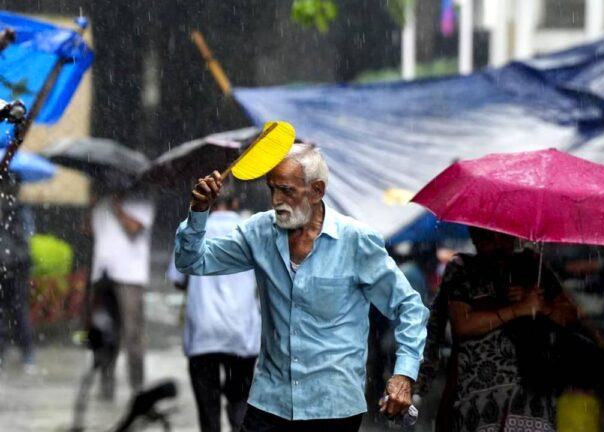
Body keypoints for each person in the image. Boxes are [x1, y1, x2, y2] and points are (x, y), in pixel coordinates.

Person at [174, 143, 429, 432]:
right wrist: (198, 211)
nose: (276, 200)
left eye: (287, 191)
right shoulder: (259, 232)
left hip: (332, 406)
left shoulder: (356, 241)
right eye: (272, 189)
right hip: (270, 402)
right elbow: (191, 261)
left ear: (317, 191)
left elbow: (409, 307)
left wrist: (404, 375)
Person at [445, 227, 578, 432]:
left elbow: (569, 316)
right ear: (475, 238)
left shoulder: (532, 265)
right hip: (478, 399)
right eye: (489, 237)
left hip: (533, 393)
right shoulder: (463, 269)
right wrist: (518, 309)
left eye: (504, 236)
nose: (498, 244)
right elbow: (463, 325)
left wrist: (543, 307)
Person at [167, 185, 261, 432]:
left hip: (203, 332)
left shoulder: (191, 231)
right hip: (241, 333)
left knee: (208, 415)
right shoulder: (251, 231)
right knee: (241, 406)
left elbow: (178, 279)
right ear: (235, 204)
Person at [90, 190, 155, 398]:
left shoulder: (143, 201)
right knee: (106, 330)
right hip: (103, 276)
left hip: (130, 277)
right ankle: (106, 383)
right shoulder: (101, 202)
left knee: (132, 334)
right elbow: (89, 230)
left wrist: (118, 209)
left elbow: (134, 228)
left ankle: (138, 387)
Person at [0, 173, 36, 373]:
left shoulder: (20, 211)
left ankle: (27, 353)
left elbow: (25, 241)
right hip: (3, 266)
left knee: (19, 310)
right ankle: (2, 351)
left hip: (17, 267)